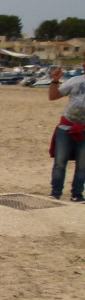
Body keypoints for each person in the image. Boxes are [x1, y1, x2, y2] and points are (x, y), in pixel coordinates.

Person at [48, 64, 85, 202]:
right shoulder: (75, 80)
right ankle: (55, 193)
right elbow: (53, 96)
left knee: (82, 165)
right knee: (60, 162)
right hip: (67, 126)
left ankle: (77, 194)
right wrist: (55, 80)